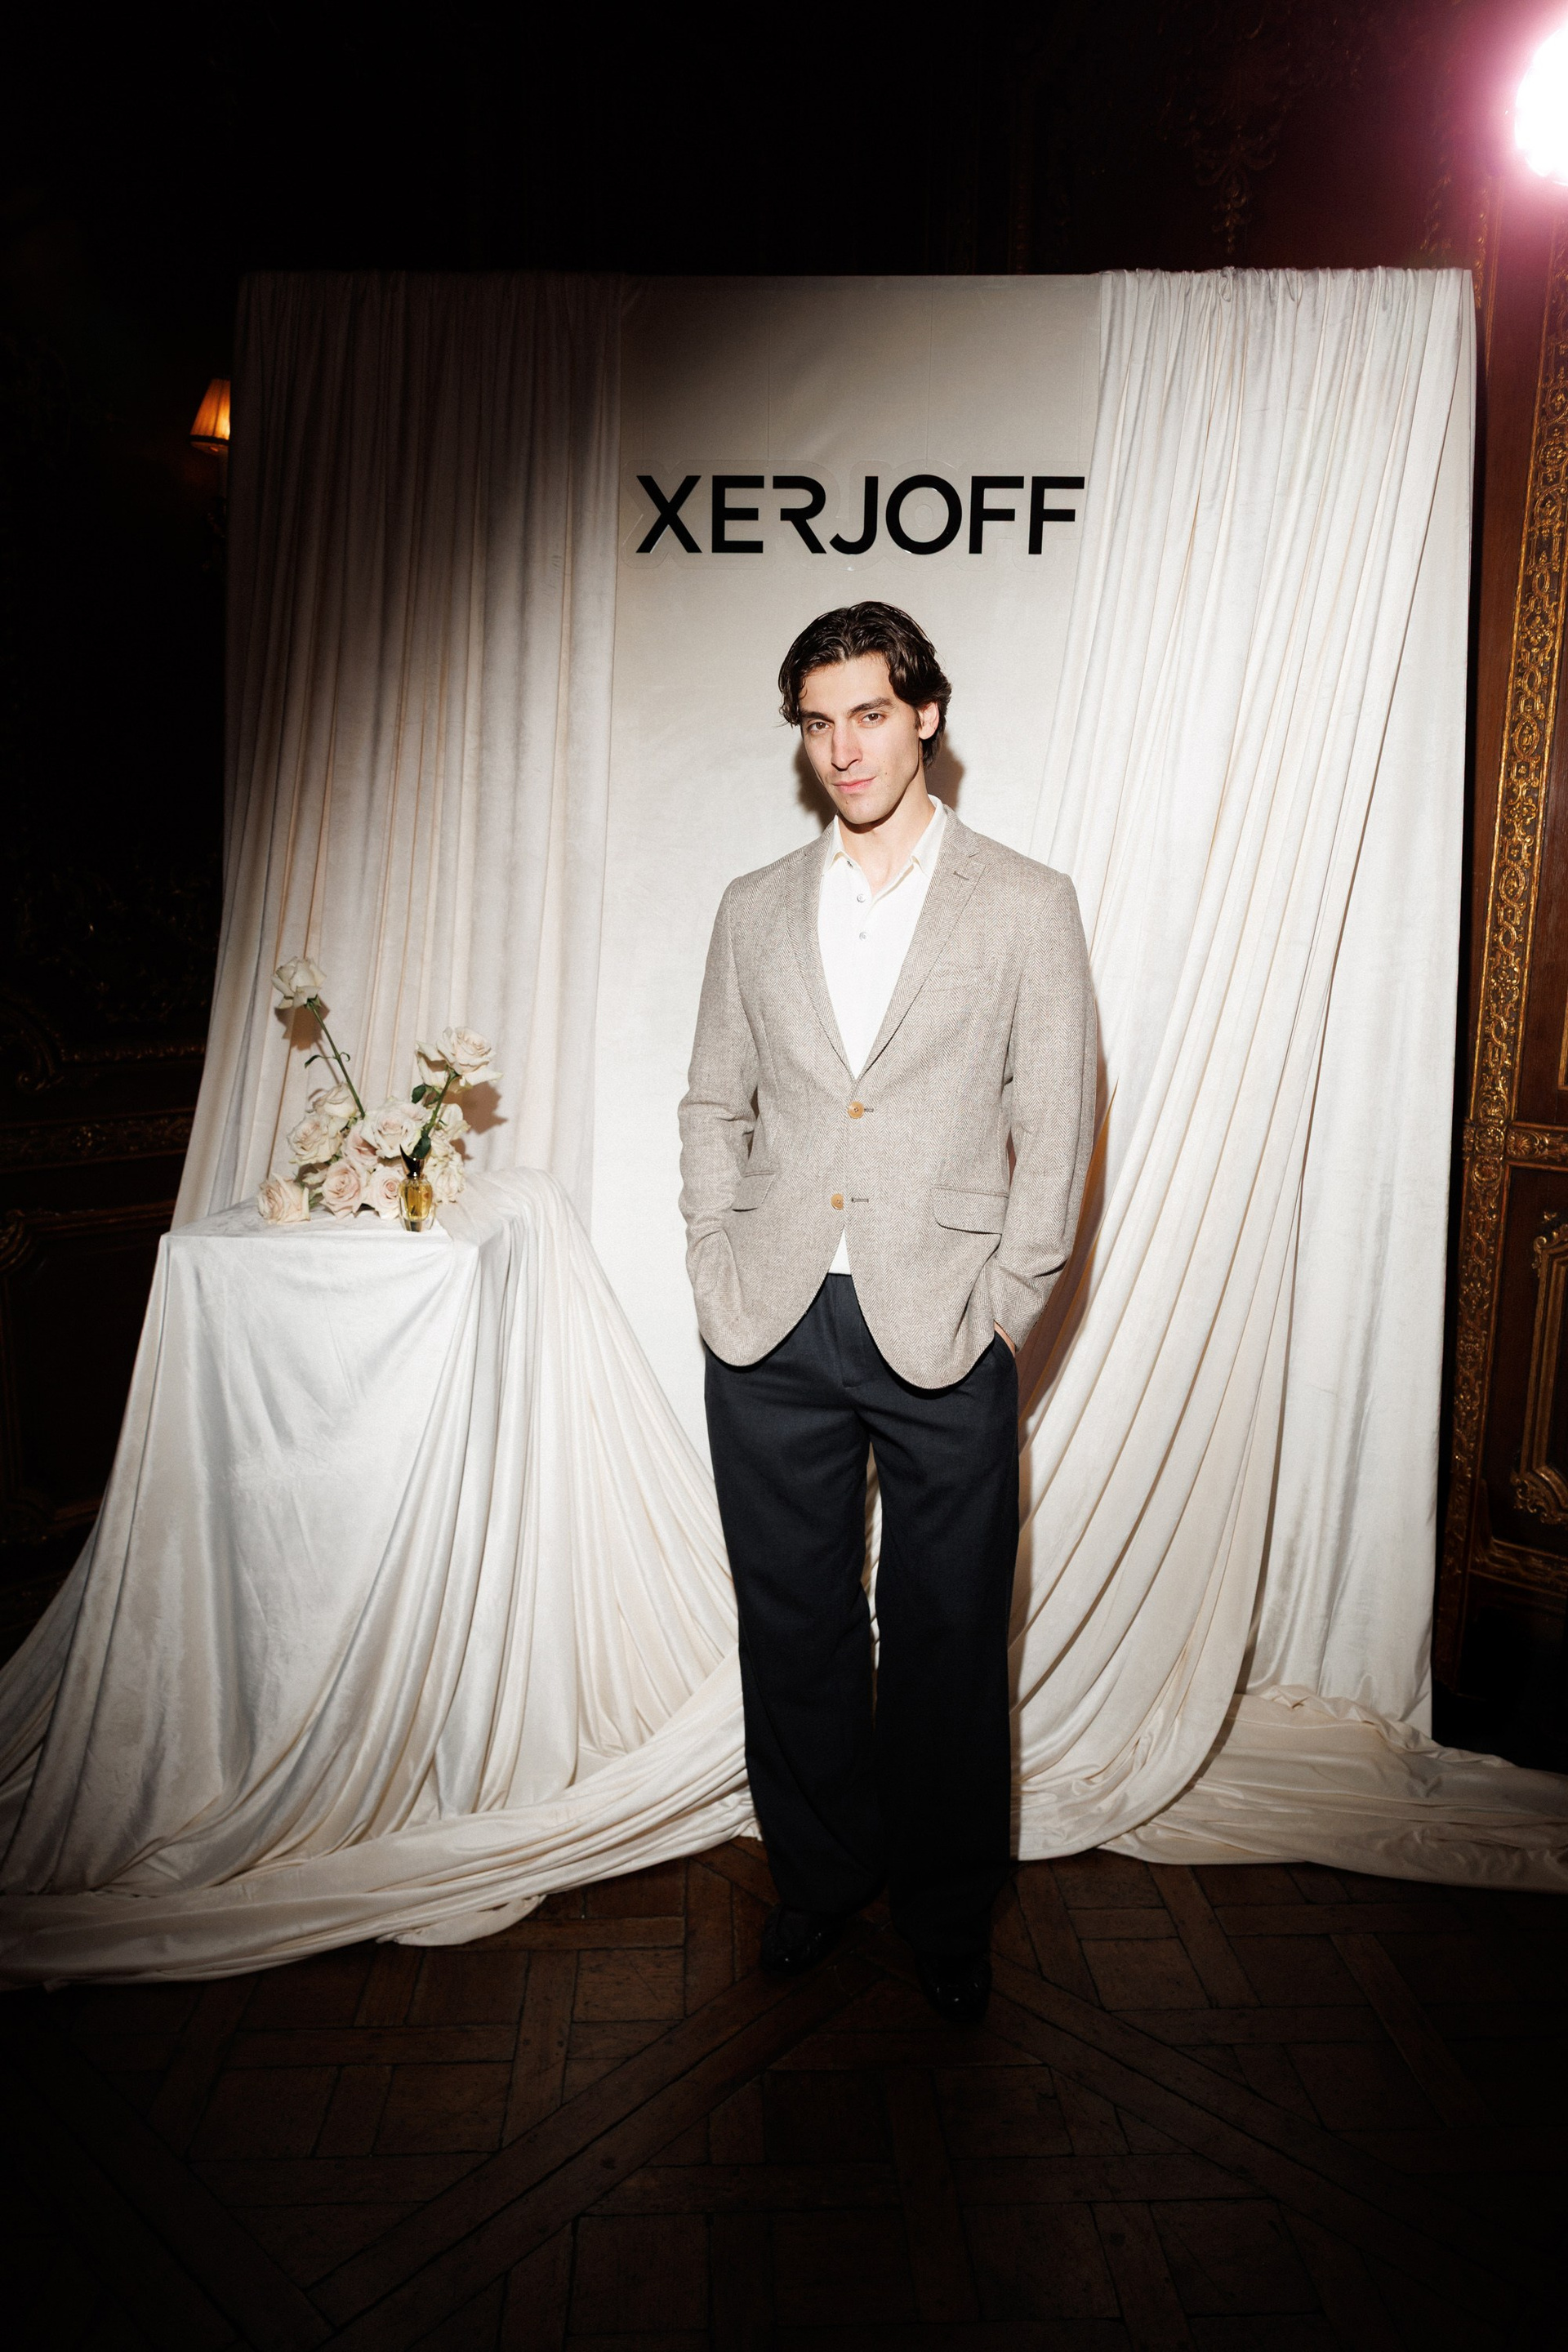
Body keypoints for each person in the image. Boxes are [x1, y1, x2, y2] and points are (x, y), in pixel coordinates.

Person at [678, 602, 1096, 2024]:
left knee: (946, 1636)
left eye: (868, 714)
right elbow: (712, 1102)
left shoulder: (1026, 902)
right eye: (818, 723)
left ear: (926, 714)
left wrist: (1007, 1306)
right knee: (793, 1623)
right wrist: (714, 1259)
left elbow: (1059, 1120)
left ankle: (946, 1908)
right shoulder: (752, 907)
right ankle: (819, 1875)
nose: (843, 749)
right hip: (772, 1326)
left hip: (943, 1323)